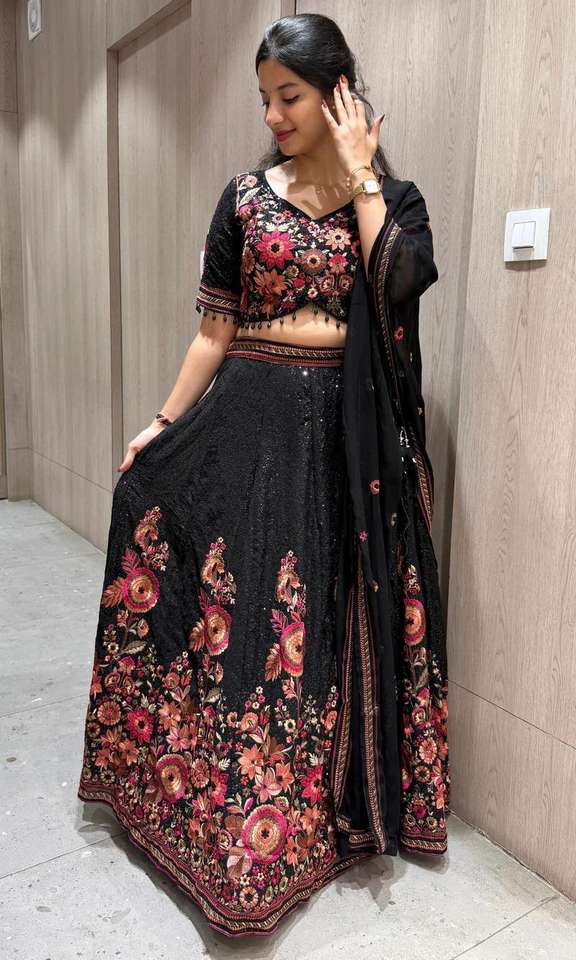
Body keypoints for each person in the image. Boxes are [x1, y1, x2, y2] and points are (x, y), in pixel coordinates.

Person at [77, 12, 449, 938]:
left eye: (290, 97)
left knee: (317, 614)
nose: (274, 115)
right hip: (247, 421)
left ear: (336, 94)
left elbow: (398, 286)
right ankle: (222, 812)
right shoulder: (244, 198)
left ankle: (319, 811)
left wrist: (362, 175)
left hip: (345, 438)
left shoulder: (392, 198)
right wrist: (163, 422)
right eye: (264, 100)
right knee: (242, 616)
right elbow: (214, 330)